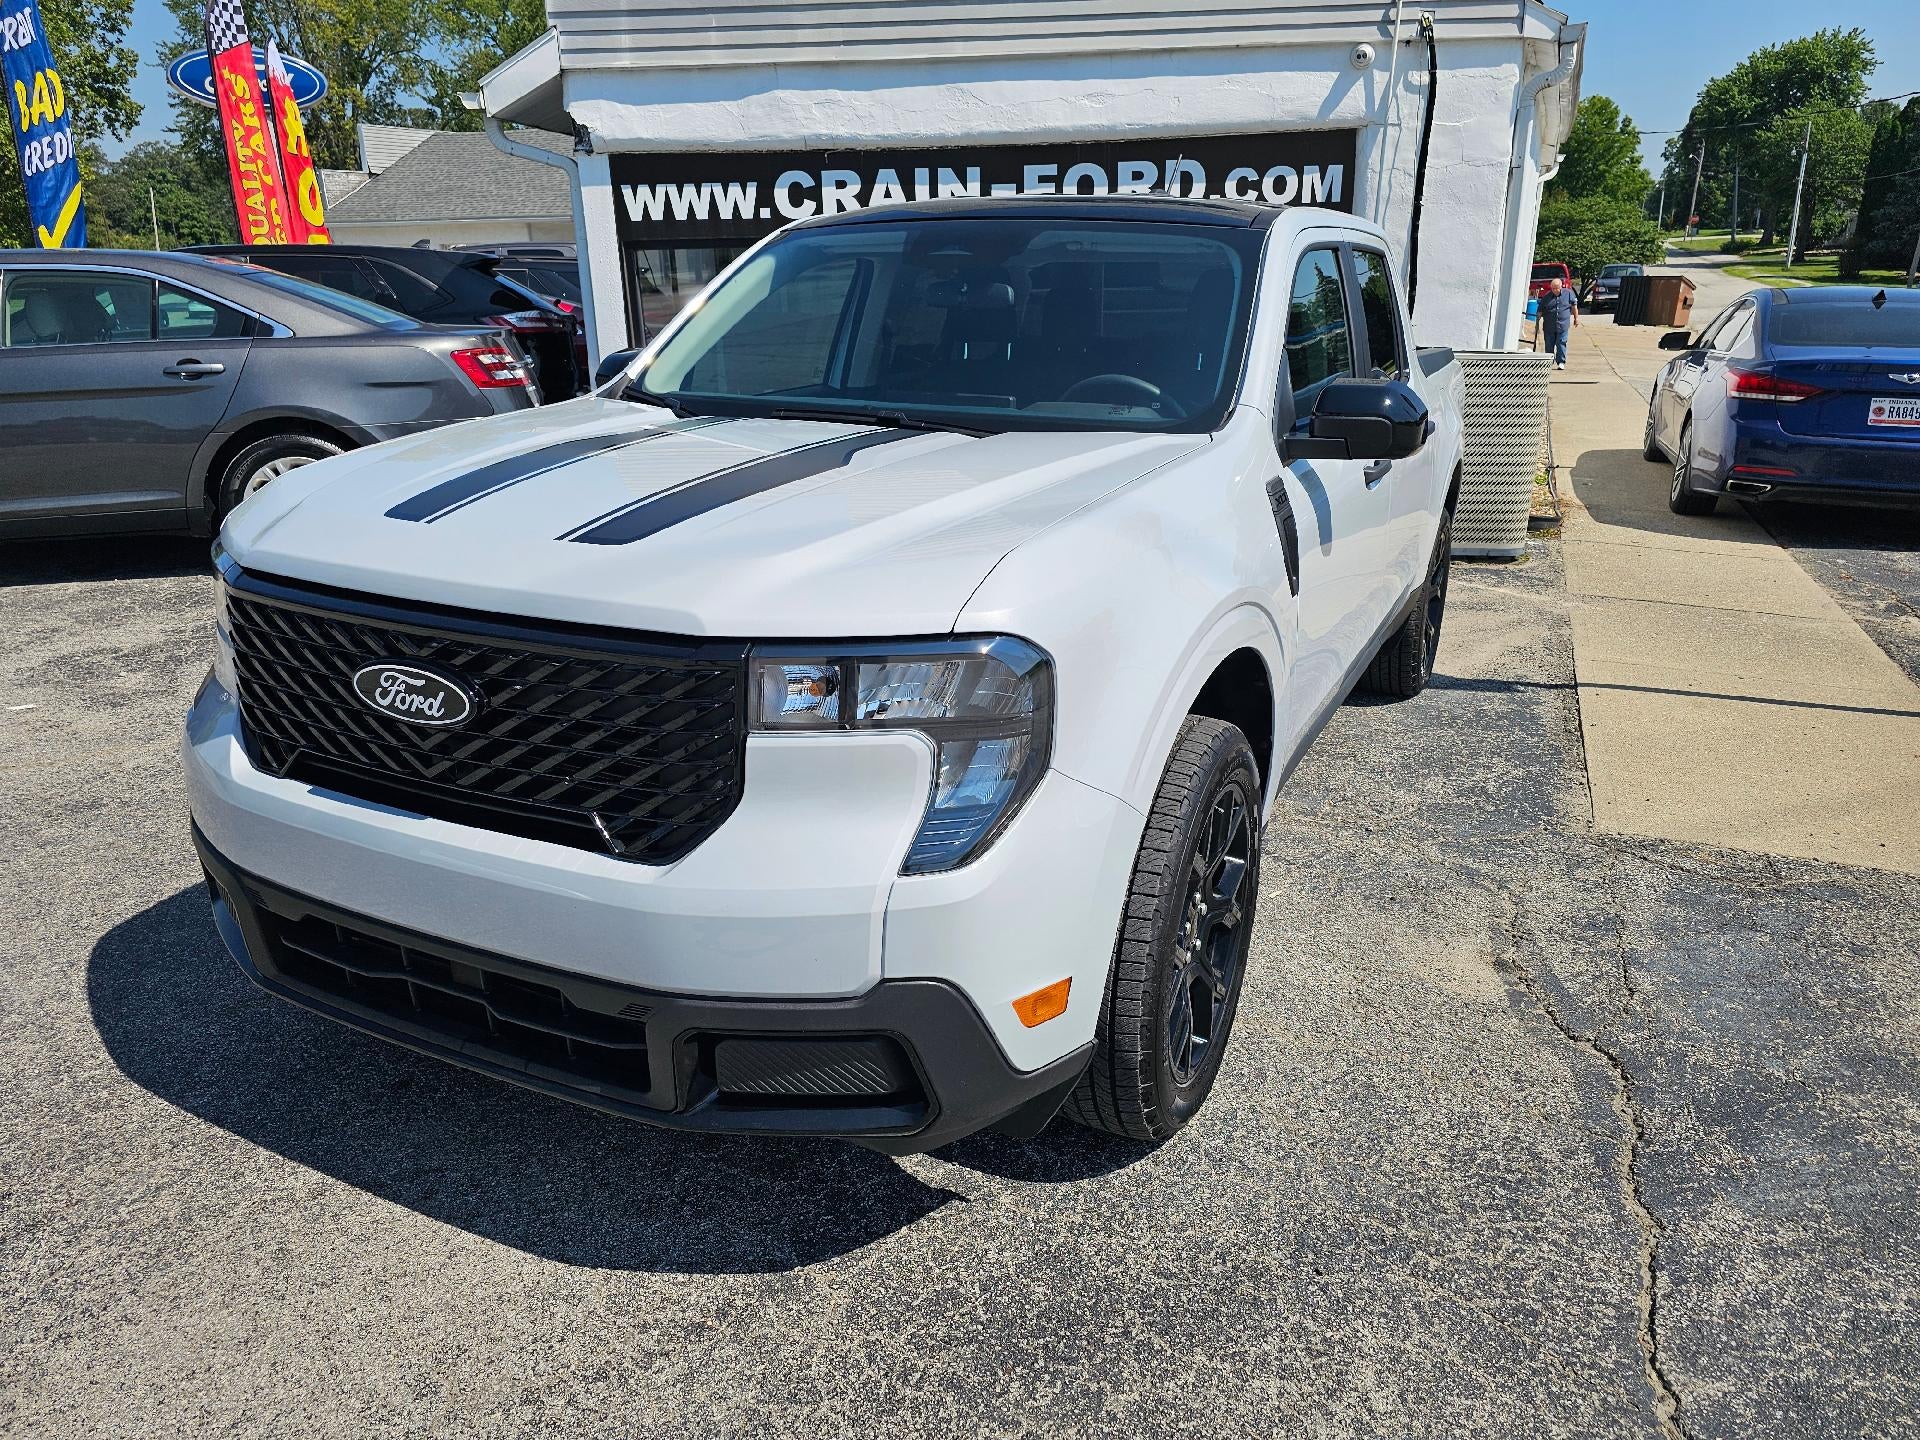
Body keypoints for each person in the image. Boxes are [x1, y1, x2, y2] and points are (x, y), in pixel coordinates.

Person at [1539, 276, 1578, 369]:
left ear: (1561, 286)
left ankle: (1561, 362)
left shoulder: (1568, 293)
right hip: (1549, 326)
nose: (1555, 290)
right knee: (1549, 344)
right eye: (1553, 288)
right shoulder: (1546, 297)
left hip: (1563, 324)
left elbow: (1574, 307)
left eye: (1557, 288)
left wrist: (1576, 318)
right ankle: (1549, 361)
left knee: (1561, 343)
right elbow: (1540, 310)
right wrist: (1537, 319)